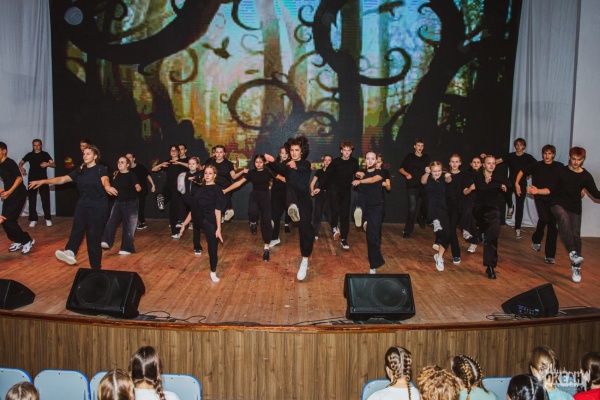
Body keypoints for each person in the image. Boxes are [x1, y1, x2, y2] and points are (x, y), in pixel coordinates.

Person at [29, 145, 114, 269]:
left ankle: (96, 268)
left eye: (88, 154)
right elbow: (62, 179)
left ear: (95, 156)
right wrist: (43, 181)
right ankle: (70, 251)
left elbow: (105, 180)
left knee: (93, 238)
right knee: (77, 229)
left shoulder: (100, 169)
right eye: (84, 154)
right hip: (82, 204)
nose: (85, 156)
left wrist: (107, 187)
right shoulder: (80, 171)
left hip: (98, 207)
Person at [528, 147, 600, 282]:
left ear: (583, 160)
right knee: (563, 216)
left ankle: (576, 267)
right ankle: (572, 253)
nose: (576, 162)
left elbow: (596, 194)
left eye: (579, 160)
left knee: (576, 237)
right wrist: (537, 191)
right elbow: (550, 189)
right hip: (557, 203)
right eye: (573, 159)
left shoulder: (585, 176)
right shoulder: (560, 171)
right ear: (569, 158)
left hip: (574, 207)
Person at [265, 136, 313, 281]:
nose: (293, 153)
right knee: (289, 185)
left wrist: (295, 166)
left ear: (301, 151)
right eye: (291, 150)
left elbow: (303, 168)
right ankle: (292, 207)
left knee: (306, 230)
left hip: (304, 199)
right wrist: (272, 161)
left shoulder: (306, 164)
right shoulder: (287, 164)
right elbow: (280, 168)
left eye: (296, 150)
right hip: (292, 198)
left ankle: (305, 259)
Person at [515, 145, 562, 264]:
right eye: (545, 153)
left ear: (553, 155)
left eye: (549, 153)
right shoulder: (537, 165)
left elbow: (569, 177)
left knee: (552, 225)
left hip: (554, 198)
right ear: (542, 154)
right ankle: (536, 239)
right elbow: (522, 171)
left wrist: (580, 188)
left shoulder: (559, 166)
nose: (547, 156)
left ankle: (550, 255)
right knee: (544, 218)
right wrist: (517, 183)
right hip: (540, 197)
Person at [180, 164, 225, 282]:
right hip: (199, 218)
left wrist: (219, 228)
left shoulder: (217, 190)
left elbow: (218, 210)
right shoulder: (199, 190)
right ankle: (183, 192)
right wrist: (184, 224)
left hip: (210, 220)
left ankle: (213, 272)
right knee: (192, 202)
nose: (207, 175)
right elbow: (193, 210)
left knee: (212, 248)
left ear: (214, 175)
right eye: (205, 173)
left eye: (210, 173)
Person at [224, 154, 273, 261]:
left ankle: (266, 248)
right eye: (256, 162)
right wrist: (225, 190)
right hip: (255, 196)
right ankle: (253, 222)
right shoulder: (251, 173)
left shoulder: (268, 172)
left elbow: (280, 178)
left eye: (260, 162)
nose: (258, 164)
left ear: (264, 163)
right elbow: (238, 183)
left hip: (265, 197)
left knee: (266, 222)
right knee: (252, 212)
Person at [468, 155, 509, 279]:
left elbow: (508, 183)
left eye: (493, 163)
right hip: (479, 209)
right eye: (489, 163)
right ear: (483, 165)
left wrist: (495, 182)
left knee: (492, 237)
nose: (491, 165)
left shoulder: (496, 176)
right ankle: (480, 230)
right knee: (493, 216)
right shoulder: (478, 175)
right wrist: (497, 185)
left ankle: (490, 266)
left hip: (492, 211)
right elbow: (481, 186)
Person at [319, 141, 359, 249]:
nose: (346, 152)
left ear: (351, 151)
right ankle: (334, 228)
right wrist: (319, 187)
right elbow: (327, 175)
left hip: (346, 191)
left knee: (345, 215)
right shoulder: (336, 162)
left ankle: (344, 239)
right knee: (335, 211)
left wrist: (360, 175)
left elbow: (356, 173)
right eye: (344, 150)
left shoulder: (354, 162)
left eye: (349, 150)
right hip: (334, 190)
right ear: (341, 151)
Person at [493, 138, 537, 239]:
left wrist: (529, 173)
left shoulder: (528, 157)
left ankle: (517, 229)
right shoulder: (510, 156)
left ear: (524, 146)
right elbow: (497, 161)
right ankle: (510, 206)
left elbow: (536, 166)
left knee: (520, 206)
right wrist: (486, 159)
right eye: (517, 144)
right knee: (505, 190)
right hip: (511, 181)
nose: (518, 146)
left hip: (522, 183)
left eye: (520, 145)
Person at [351, 151, 385, 273]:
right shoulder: (361, 173)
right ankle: (361, 214)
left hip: (375, 208)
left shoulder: (381, 173)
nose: (370, 161)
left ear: (376, 160)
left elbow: (372, 180)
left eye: (372, 158)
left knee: (373, 237)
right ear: (365, 160)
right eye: (368, 158)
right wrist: (358, 175)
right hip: (364, 206)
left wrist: (361, 180)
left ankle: (373, 264)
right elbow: (358, 174)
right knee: (358, 196)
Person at [101, 157, 142, 255]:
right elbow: (108, 184)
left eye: (122, 162)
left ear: (127, 165)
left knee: (129, 226)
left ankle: (127, 248)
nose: (119, 164)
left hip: (131, 203)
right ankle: (106, 241)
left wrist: (138, 187)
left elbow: (136, 184)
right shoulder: (116, 174)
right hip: (118, 202)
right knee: (111, 221)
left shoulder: (131, 174)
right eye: (118, 162)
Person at [0, 142, 35, 254]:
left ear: (4, 151)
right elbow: (8, 182)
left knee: (8, 220)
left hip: (18, 195)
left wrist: (8, 192)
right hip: (10, 196)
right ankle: (18, 240)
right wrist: (3, 190)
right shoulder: (0, 165)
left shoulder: (10, 162)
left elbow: (19, 179)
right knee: (4, 220)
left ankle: (27, 240)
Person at [421, 162, 452, 272]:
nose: (437, 173)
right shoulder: (428, 178)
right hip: (431, 208)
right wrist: (426, 173)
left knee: (448, 235)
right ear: (431, 171)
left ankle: (439, 257)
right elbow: (423, 181)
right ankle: (435, 221)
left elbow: (449, 180)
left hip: (443, 209)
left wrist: (448, 176)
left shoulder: (443, 178)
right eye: (435, 171)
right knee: (431, 199)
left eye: (439, 171)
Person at [152, 145, 187, 238]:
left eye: (175, 150)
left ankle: (175, 232)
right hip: (168, 187)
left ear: (179, 152)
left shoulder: (182, 162)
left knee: (173, 210)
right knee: (159, 196)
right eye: (172, 150)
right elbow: (153, 169)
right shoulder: (167, 162)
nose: (173, 152)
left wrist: (179, 162)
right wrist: (161, 165)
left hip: (177, 188)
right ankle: (162, 202)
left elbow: (190, 166)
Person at [19, 139, 55, 227]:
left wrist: (47, 164)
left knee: (45, 199)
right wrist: (22, 168)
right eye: (35, 145)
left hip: (43, 180)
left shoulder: (45, 154)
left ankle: (48, 218)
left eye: (38, 145)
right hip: (32, 179)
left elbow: (54, 164)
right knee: (32, 199)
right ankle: (33, 219)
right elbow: (20, 163)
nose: (36, 147)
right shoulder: (30, 155)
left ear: (41, 145)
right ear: (33, 146)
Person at [203, 145, 245, 222]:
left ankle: (227, 211)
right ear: (214, 153)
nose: (219, 154)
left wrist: (242, 172)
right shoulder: (211, 163)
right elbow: (205, 173)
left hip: (225, 187)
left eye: (221, 152)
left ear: (224, 153)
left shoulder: (228, 164)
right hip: (214, 187)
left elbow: (234, 177)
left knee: (224, 196)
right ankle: (218, 215)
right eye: (217, 152)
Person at [399, 138, 430, 238]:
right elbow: (401, 169)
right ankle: (407, 231)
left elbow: (430, 169)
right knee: (412, 208)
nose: (420, 147)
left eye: (422, 146)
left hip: (424, 185)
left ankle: (420, 216)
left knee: (428, 204)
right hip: (412, 185)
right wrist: (406, 174)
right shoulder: (410, 157)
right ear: (414, 146)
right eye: (418, 145)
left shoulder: (426, 158)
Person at [177, 156, 204, 255]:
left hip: (199, 201)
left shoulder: (201, 173)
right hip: (189, 200)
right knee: (195, 221)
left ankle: (200, 244)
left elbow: (200, 179)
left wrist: (195, 178)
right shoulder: (185, 175)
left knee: (199, 223)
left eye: (193, 164)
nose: (191, 165)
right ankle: (197, 246)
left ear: (197, 165)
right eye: (190, 164)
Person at [126, 153, 155, 230]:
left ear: (133, 159)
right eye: (127, 157)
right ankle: (133, 222)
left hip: (142, 190)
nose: (128, 159)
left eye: (130, 157)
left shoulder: (140, 167)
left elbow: (148, 175)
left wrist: (153, 185)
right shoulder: (127, 169)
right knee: (132, 207)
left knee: (139, 206)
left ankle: (142, 222)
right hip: (132, 192)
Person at [268, 146, 290, 247]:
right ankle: (275, 238)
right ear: (279, 154)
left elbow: (284, 175)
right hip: (275, 192)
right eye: (282, 153)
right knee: (274, 216)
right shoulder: (275, 163)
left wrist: (271, 166)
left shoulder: (289, 164)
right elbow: (271, 174)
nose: (284, 155)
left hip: (286, 192)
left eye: (286, 153)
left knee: (278, 215)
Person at [310, 154, 332, 240]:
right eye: (325, 160)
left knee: (328, 212)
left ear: (331, 162)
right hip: (320, 194)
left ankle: (335, 229)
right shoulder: (319, 171)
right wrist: (312, 191)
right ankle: (315, 233)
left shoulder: (333, 172)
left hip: (330, 194)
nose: (327, 162)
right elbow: (313, 183)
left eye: (329, 160)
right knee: (317, 213)